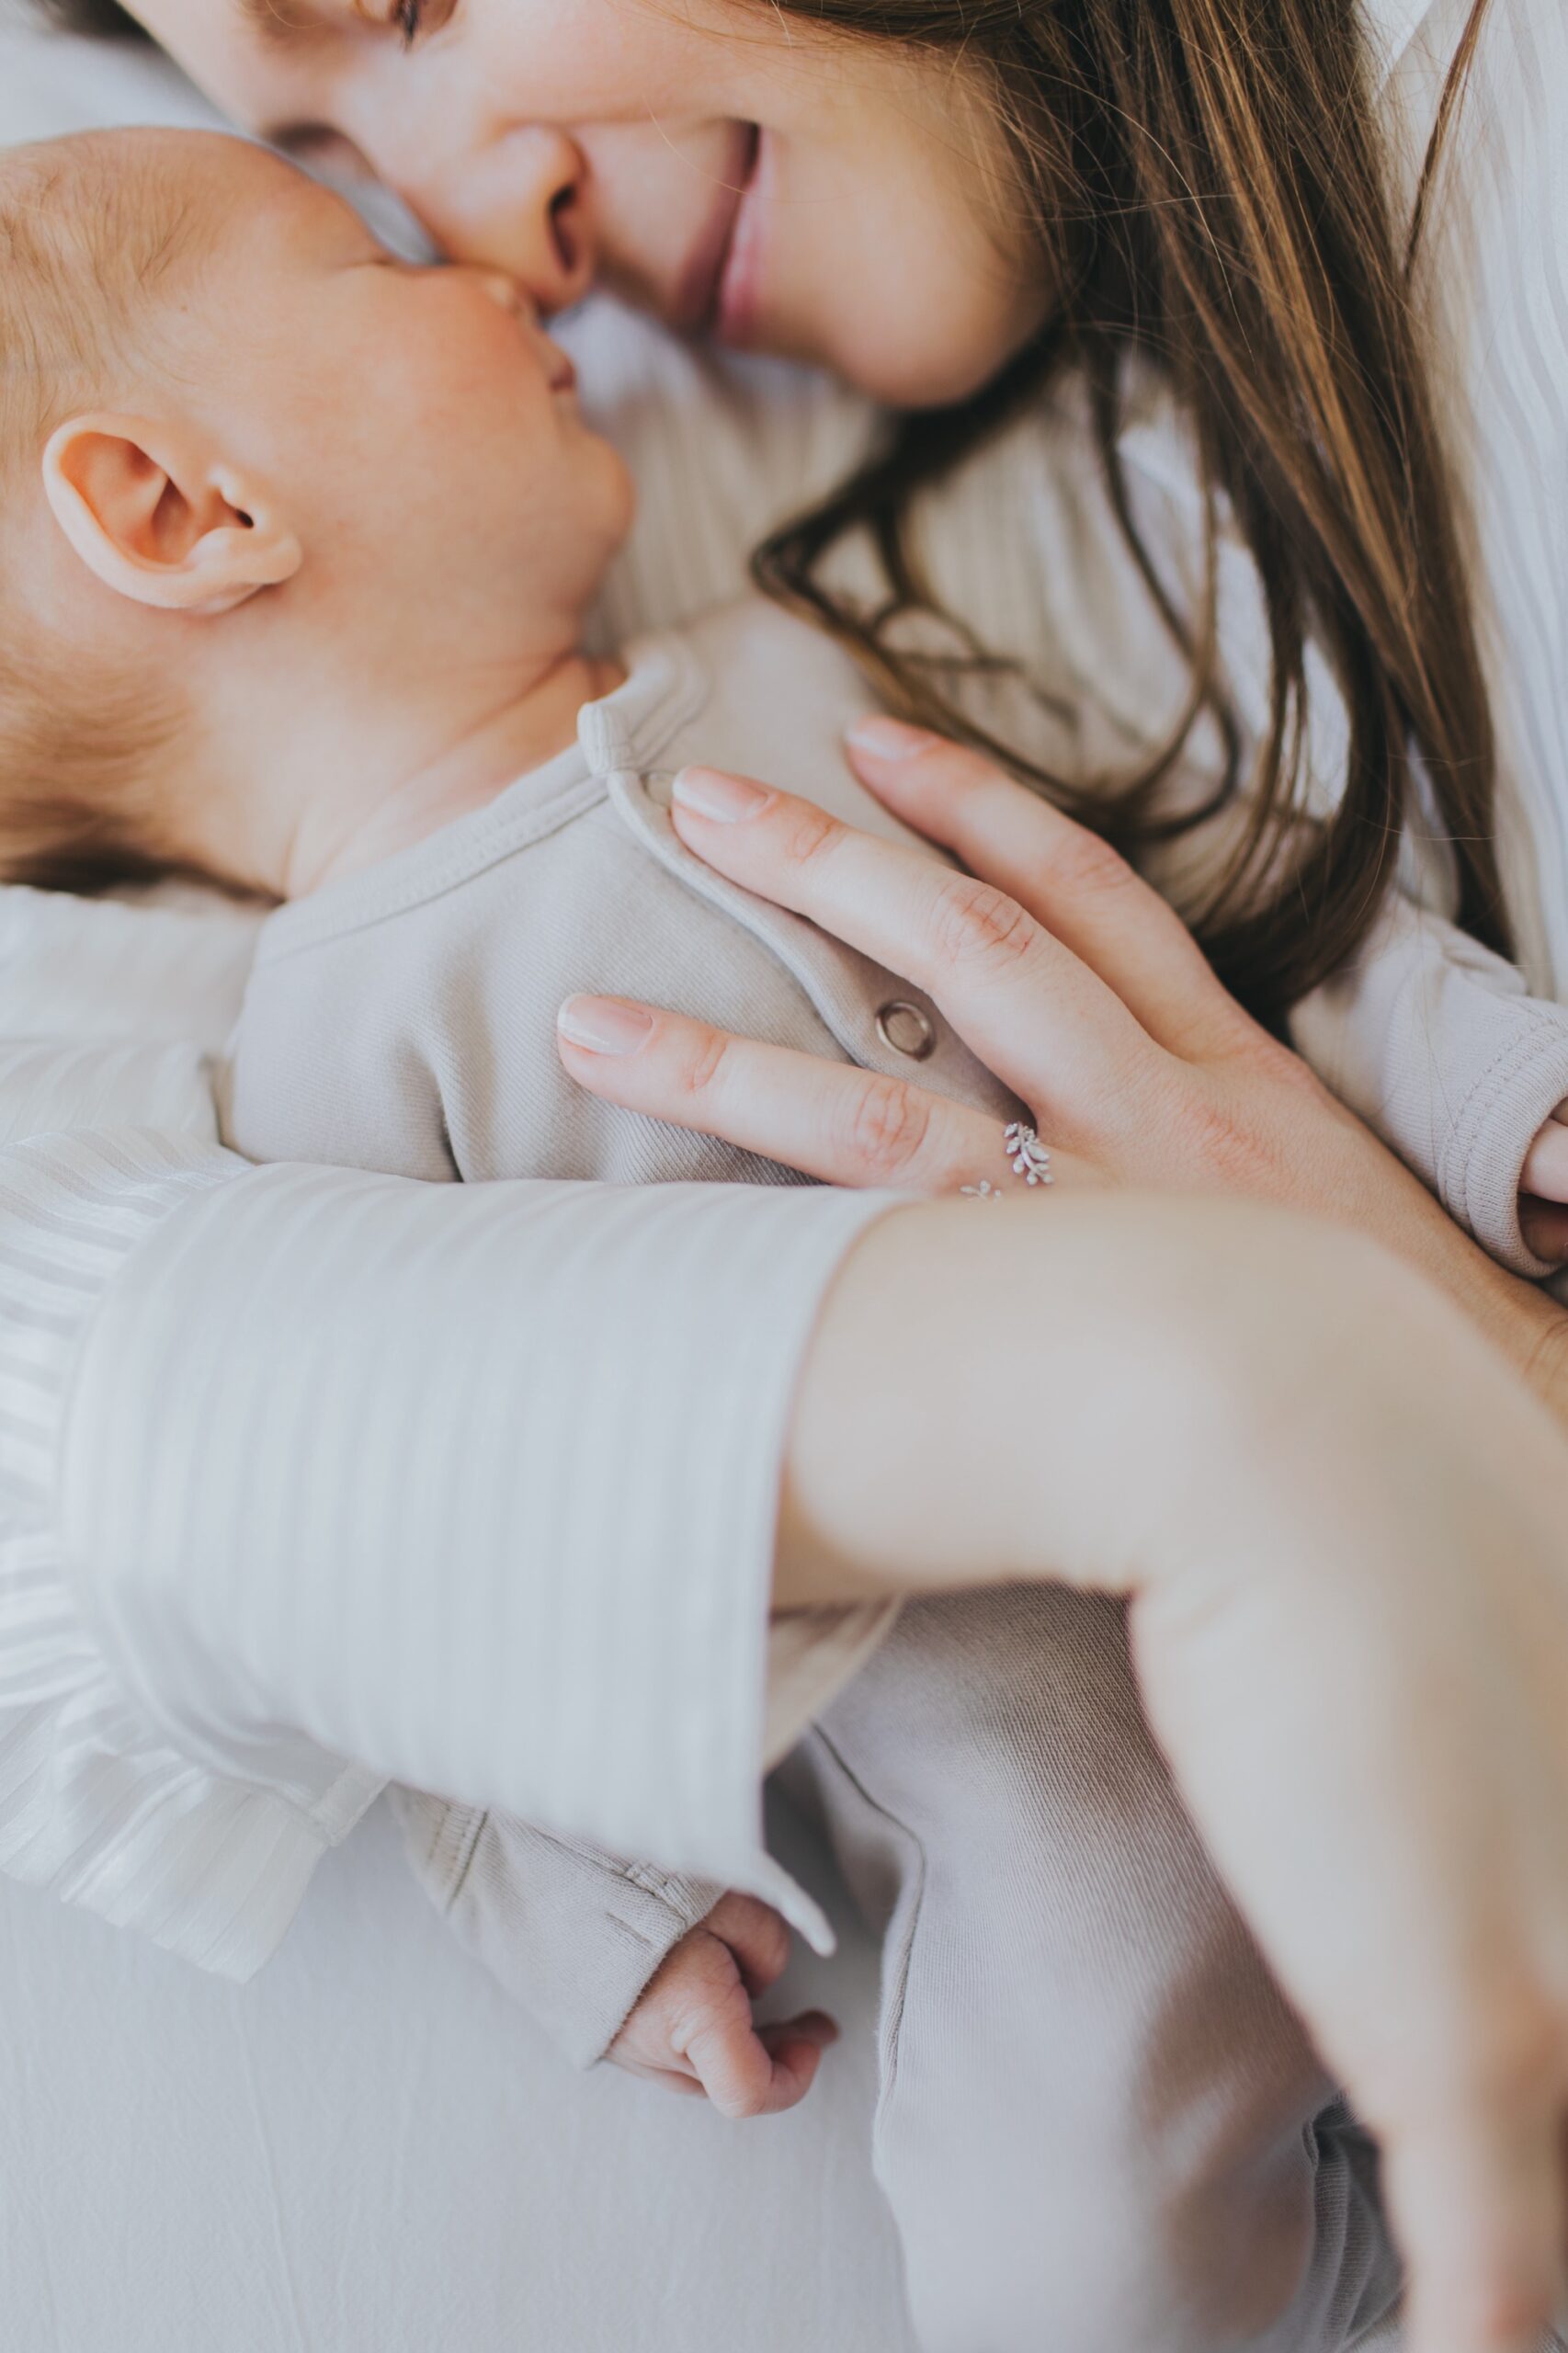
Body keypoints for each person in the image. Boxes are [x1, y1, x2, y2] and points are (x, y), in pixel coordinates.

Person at [5, 3, 1568, 2347]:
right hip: (1067, 1865)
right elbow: (452, 1620)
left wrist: (1503, 1104)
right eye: (353, 232)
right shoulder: (333, 1062)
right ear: (183, 510)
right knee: (1072, 2236)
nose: (484, 257)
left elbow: (1250, 909)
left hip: (1438, 1622)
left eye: (407, 16)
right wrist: (598, 1923)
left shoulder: (808, 662)